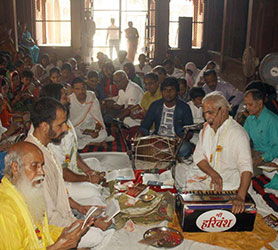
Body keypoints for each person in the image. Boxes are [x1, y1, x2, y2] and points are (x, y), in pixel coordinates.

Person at [25, 97, 113, 247]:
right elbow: (49, 217)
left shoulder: (46, 147)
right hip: (52, 230)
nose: (65, 128)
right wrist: (84, 225)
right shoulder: (35, 159)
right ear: (45, 126)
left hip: (64, 216)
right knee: (101, 235)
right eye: (60, 125)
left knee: (101, 218)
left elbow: (58, 193)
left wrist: (79, 208)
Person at [0, 141, 93, 249]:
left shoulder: (24, 192)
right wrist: (57, 248)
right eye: (34, 166)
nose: (42, 172)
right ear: (15, 168)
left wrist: (66, 232)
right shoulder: (4, 209)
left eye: (41, 166)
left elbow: (40, 231)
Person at [40, 83, 107, 207]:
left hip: (70, 169)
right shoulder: (50, 130)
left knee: (95, 163)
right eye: (65, 96)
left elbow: (73, 152)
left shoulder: (63, 120)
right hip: (59, 182)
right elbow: (63, 172)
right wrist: (88, 179)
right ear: (54, 101)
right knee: (92, 190)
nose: (69, 98)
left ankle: (94, 192)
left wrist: (88, 171)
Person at [193, 91, 253, 214]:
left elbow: (246, 167)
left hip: (232, 188)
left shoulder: (237, 133)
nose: (207, 117)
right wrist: (214, 174)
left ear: (224, 111)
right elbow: (198, 156)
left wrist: (240, 197)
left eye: (210, 113)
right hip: (210, 182)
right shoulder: (206, 129)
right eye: (205, 113)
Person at [138, 77, 193, 159]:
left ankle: (166, 155)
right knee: (140, 147)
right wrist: (141, 134)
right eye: (165, 90)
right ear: (161, 92)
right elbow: (145, 126)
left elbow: (190, 130)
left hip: (176, 140)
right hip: (158, 138)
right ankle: (168, 155)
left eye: (171, 90)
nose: (168, 93)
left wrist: (181, 139)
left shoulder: (184, 107)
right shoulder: (155, 106)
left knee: (185, 148)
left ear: (177, 91)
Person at [69, 77, 109, 149]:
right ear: (73, 90)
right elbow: (69, 123)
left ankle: (84, 143)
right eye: (77, 89)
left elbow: (98, 118)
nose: (81, 91)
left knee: (103, 134)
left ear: (86, 87)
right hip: (77, 129)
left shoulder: (91, 97)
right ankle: (93, 143)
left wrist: (96, 131)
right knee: (69, 136)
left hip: (91, 128)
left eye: (83, 88)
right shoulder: (69, 101)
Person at [243, 89, 278, 166]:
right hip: (256, 155)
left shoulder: (272, 120)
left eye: (250, 105)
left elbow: (276, 147)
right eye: (246, 105)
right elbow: (243, 138)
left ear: (260, 103)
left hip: (271, 158)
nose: (247, 108)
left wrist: (262, 158)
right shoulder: (250, 119)